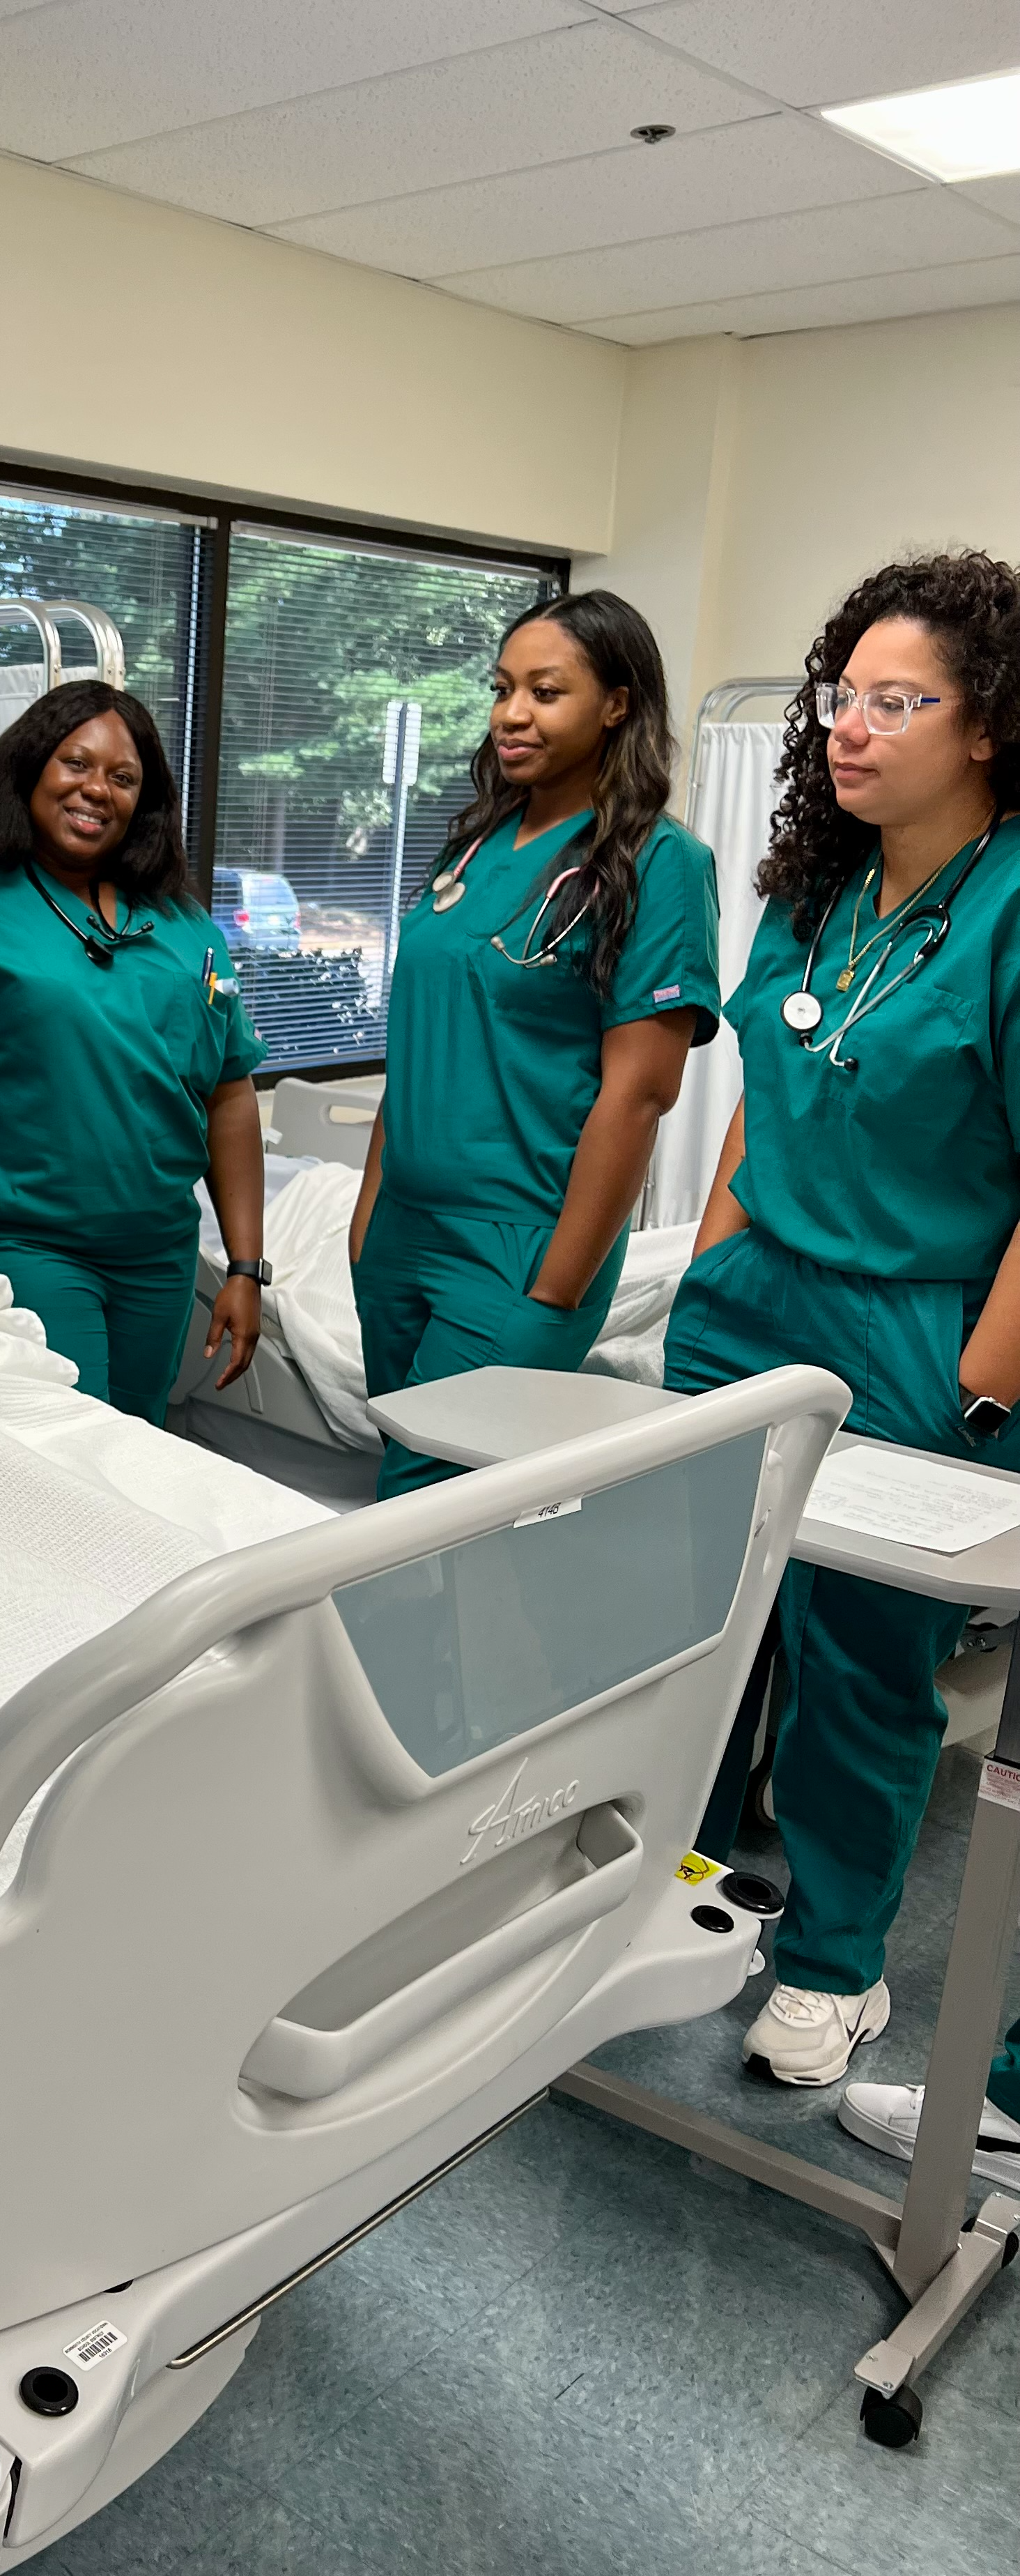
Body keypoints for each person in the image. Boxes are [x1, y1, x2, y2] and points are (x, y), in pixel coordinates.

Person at [665, 550, 1020, 2156]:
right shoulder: (815, 885)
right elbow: (763, 1084)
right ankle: (672, 1890)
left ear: (991, 724)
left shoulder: (1014, 905)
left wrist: (983, 1385)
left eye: (901, 699)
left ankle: (833, 1967)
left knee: (863, 1671)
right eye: (843, 695)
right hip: (754, 1304)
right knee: (695, 1622)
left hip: (917, 1327)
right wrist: (714, 1257)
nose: (853, 727)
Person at [348, 591, 720, 1495]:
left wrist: (557, 1287)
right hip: (402, 1232)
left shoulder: (659, 865)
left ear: (617, 703)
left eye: (546, 692)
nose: (512, 713)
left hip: (521, 1242)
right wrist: (368, 1215)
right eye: (503, 688)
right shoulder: (470, 848)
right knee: (410, 1507)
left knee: (421, 1504)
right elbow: (424, 1045)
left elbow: (638, 1097)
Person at [0, 682, 264, 1425]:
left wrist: (245, 1266)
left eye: (123, 777)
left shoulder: (186, 928)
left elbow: (229, 1095)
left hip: (158, 1255)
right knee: (71, 1455)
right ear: (31, 768)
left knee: (141, 1447)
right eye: (76, 763)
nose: (96, 790)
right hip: (19, 1243)